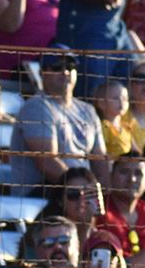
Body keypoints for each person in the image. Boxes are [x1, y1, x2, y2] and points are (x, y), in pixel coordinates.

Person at [12, 48, 105, 193]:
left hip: (81, 194)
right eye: (57, 68)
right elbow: (47, 163)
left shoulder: (88, 110)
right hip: (44, 193)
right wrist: (83, 191)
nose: (65, 72)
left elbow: (100, 161)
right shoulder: (36, 107)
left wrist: (105, 193)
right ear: (42, 73)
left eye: (70, 67)